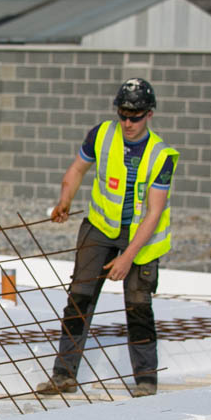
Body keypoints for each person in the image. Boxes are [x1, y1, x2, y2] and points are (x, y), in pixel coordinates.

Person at [36, 78, 178, 398]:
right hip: (100, 227)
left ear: (149, 115)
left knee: (138, 305)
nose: (127, 122)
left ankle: (145, 378)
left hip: (141, 237)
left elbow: (153, 214)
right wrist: (65, 200)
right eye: (123, 114)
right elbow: (75, 171)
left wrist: (127, 257)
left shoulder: (162, 155)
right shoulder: (101, 134)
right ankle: (64, 375)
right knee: (79, 298)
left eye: (135, 116)